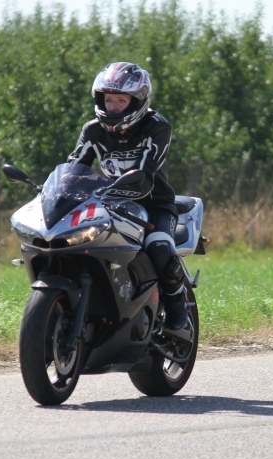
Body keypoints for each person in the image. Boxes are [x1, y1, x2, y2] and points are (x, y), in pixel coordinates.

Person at [67, 62, 189, 331]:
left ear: (137, 101)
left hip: (154, 204)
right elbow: (73, 169)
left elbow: (145, 174)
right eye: (108, 100)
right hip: (109, 205)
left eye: (121, 100)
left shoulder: (156, 127)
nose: (113, 107)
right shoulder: (92, 131)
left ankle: (177, 305)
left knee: (159, 249)